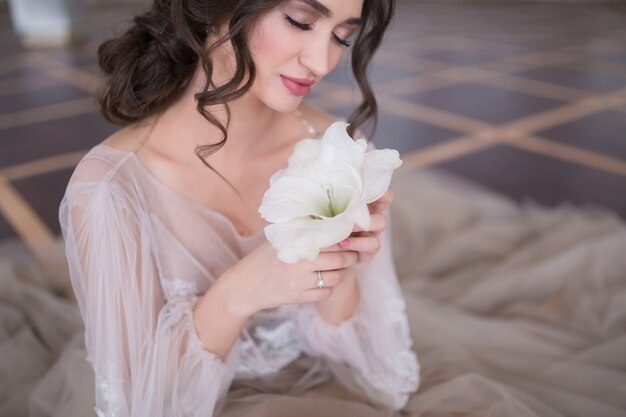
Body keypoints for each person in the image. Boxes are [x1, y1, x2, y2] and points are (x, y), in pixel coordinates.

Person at [59, 0, 419, 416]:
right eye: (300, 22)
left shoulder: (340, 154)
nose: (322, 62)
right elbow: (138, 401)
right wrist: (240, 291)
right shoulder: (112, 188)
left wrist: (342, 265)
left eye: (343, 36)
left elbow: (373, 374)